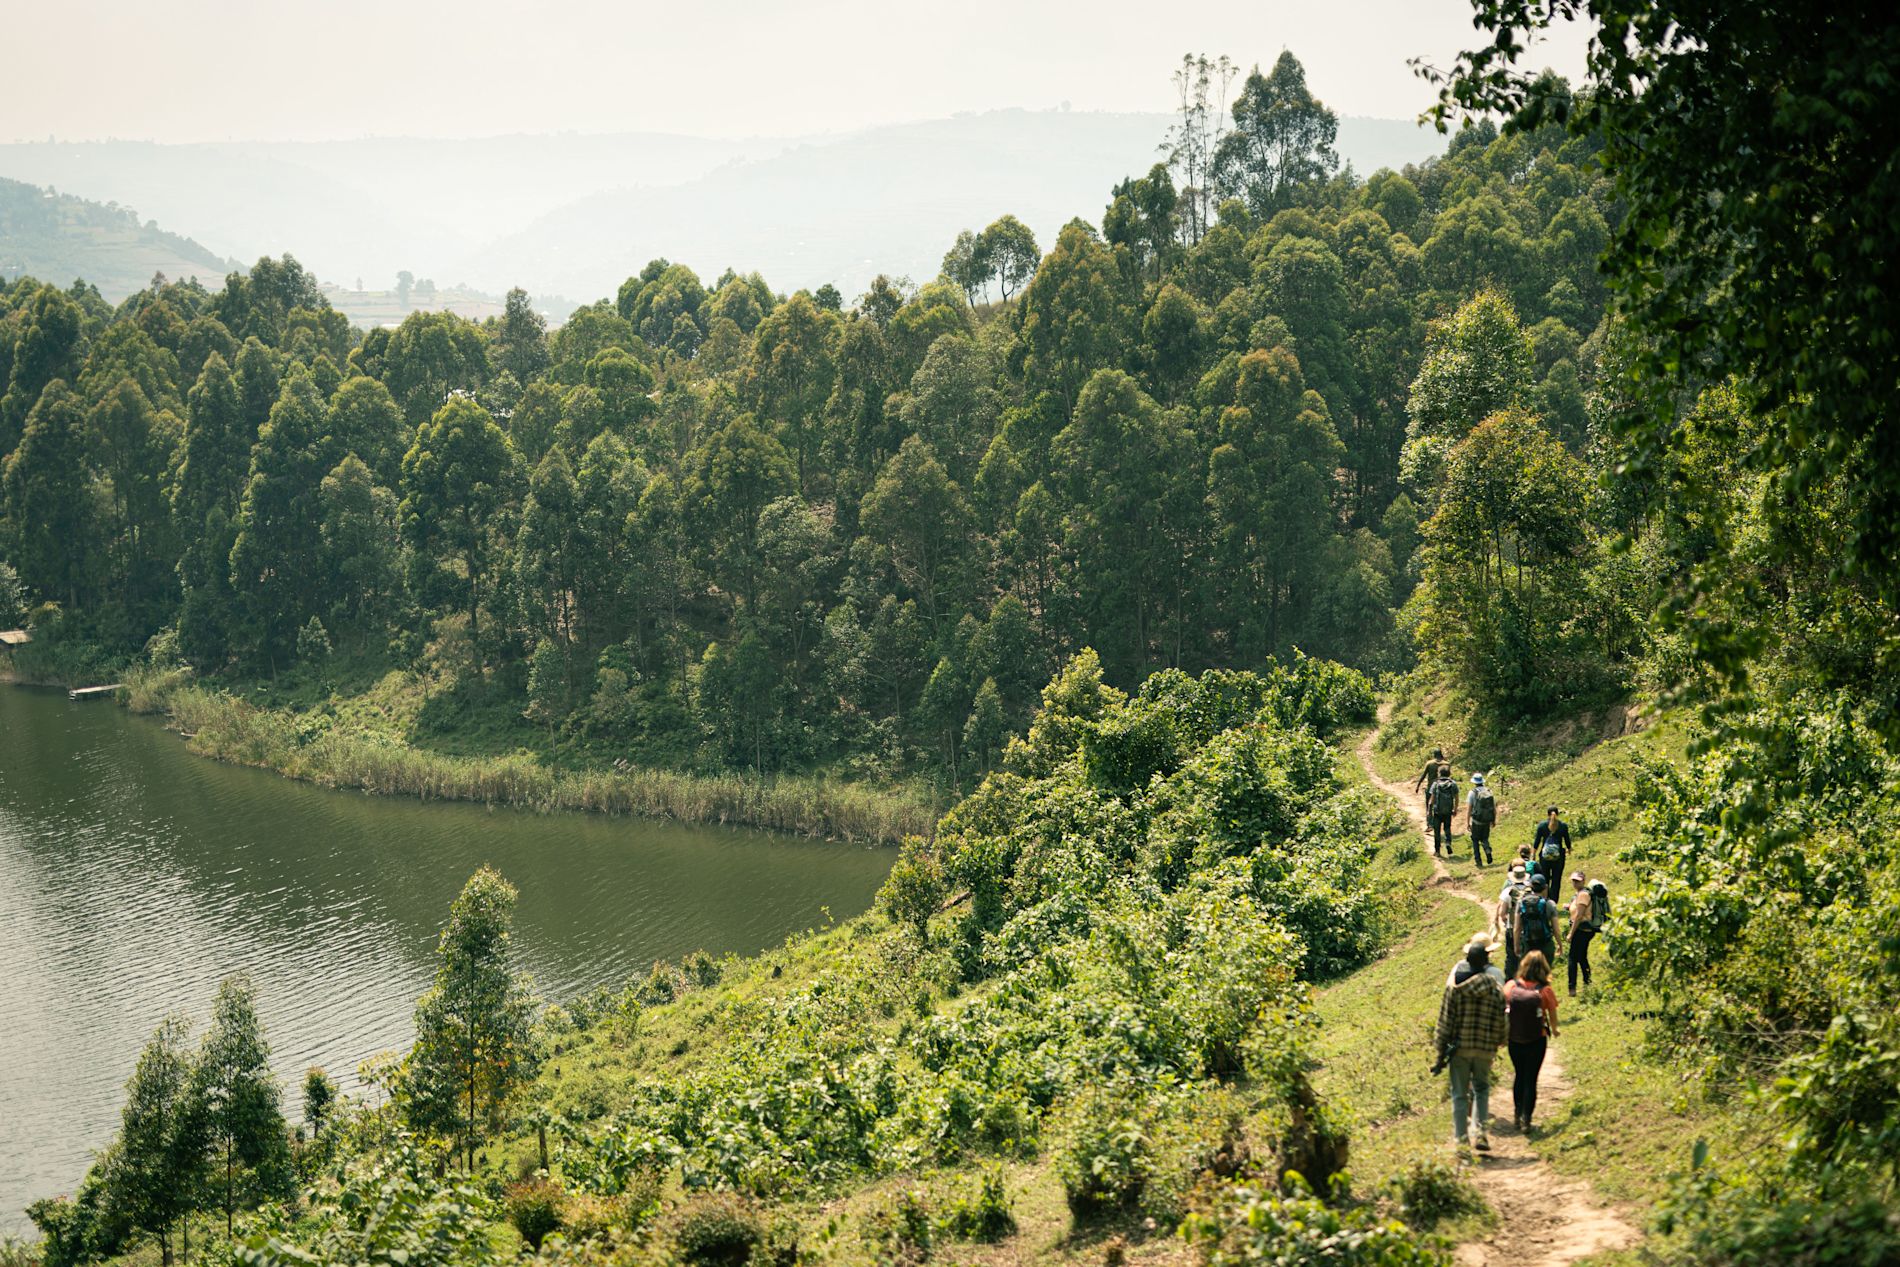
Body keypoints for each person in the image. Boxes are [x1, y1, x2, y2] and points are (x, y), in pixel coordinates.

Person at [1434, 941, 1508, 1151]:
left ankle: (1461, 1141)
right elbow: (1501, 1020)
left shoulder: (1455, 990)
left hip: (1460, 1049)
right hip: (1485, 1048)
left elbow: (1445, 1022)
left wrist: (1440, 1050)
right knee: (1482, 1089)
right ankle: (1481, 1134)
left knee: (1459, 1094)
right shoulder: (1495, 990)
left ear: (1467, 962)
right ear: (1486, 963)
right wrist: (1501, 1040)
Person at [1504, 950, 1560, 1131]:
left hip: (1515, 1039)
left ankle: (1516, 1113)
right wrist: (1556, 1029)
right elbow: (1552, 1015)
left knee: (1519, 1075)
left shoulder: (1511, 986)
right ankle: (1526, 1119)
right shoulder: (1545, 991)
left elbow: (1503, 1006)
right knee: (1531, 1079)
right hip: (1537, 1040)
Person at [1512, 873, 1560, 969]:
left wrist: (1516, 945)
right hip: (1545, 944)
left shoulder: (1521, 903)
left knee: (1528, 975)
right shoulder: (1550, 904)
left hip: (1528, 944)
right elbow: (1556, 929)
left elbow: (1517, 928)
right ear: (1545, 887)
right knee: (1545, 974)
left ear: (1530, 886)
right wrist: (1560, 944)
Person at [1566, 873, 1601, 995]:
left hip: (1581, 930)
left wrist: (1571, 933)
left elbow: (1579, 916)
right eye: (1573, 881)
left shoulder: (1583, 895)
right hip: (1583, 930)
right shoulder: (1580, 894)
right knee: (1581, 957)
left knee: (1572, 958)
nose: (1575, 883)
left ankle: (1572, 988)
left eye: (1578, 881)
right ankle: (1587, 982)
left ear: (1583, 881)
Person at [1494, 864, 1531, 978]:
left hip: (1512, 928)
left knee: (1511, 958)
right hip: (1529, 928)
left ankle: (1510, 983)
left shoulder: (1508, 892)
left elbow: (1502, 913)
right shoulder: (1530, 890)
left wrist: (1506, 921)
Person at [1533, 807, 1573, 904]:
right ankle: (1553, 901)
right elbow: (1567, 841)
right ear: (1558, 814)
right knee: (1556, 879)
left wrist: (1533, 854)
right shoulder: (1562, 826)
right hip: (1558, 858)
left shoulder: (1542, 826)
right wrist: (1569, 849)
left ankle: (1544, 900)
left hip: (1544, 858)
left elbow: (1537, 841)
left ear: (1547, 814)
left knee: (1545, 879)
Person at [1427, 764, 1461, 857]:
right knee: (1447, 828)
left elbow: (1432, 799)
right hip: (1448, 811)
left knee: (1437, 831)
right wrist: (1455, 809)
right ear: (1449, 773)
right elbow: (1456, 798)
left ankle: (1437, 851)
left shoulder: (1435, 784)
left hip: (1437, 811)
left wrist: (1429, 811)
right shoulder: (1453, 784)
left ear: (1439, 773)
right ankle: (1448, 843)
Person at [1467, 773, 1497, 867]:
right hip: (1487, 820)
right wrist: (1493, 820)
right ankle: (1488, 851)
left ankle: (1478, 861)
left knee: (1475, 840)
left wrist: (1467, 822)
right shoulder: (1489, 791)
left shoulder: (1472, 793)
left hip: (1476, 821)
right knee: (1485, 838)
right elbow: (1494, 808)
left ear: (1474, 782)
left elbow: (1469, 809)